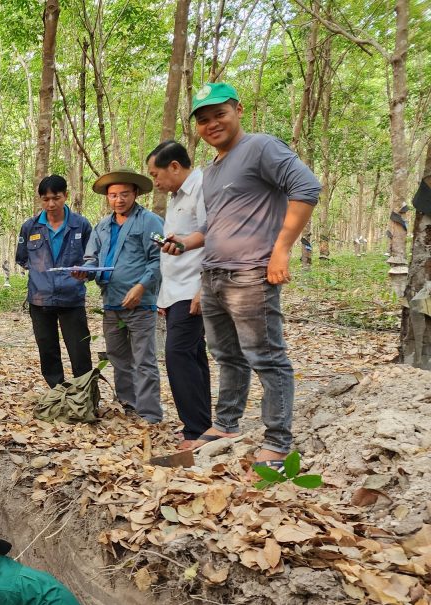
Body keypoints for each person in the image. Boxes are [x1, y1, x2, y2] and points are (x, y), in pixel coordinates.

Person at [170, 83, 321, 469]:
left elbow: (306, 187)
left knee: (266, 357)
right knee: (227, 355)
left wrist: (282, 249)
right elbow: (216, 225)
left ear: (238, 109)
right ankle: (226, 424)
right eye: (203, 119)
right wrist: (187, 243)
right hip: (214, 274)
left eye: (219, 113)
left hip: (251, 274)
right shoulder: (213, 169)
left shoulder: (261, 147)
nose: (212, 124)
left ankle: (277, 441)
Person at [81, 169, 164, 423]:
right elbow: (91, 259)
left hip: (141, 303)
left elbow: (159, 258)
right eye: (113, 195)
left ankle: (150, 413)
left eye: (124, 194)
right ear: (107, 197)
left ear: (135, 194)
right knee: (118, 357)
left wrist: (141, 287)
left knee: (144, 359)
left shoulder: (150, 221)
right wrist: (83, 272)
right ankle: (129, 405)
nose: (119, 200)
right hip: (111, 302)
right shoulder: (102, 226)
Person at [146, 141, 212, 449]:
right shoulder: (175, 197)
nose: (155, 182)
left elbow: (215, 238)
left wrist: (203, 288)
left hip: (193, 289)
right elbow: (177, 248)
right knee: (193, 355)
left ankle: (196, 431)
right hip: (176, 290)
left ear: (174, 166)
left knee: (177, 356)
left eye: (156, 174)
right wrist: (164, 297)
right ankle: (201, 424)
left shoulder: (203, 188)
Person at [16, 175, 95, 387]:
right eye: (45, 199)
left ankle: (84, 396)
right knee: (48, 352)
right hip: (40, 300)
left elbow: (93, 260)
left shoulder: (81, 225)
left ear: (66, 196)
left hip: (72, 300)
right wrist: (42, 276)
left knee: (80, 352)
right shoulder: (30, 227)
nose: (51, 204)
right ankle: (57, 394)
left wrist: (85, 272)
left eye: (56, 198)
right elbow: (22, 258)